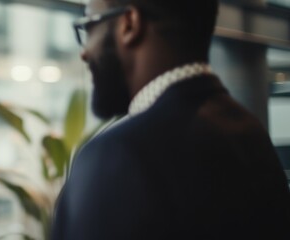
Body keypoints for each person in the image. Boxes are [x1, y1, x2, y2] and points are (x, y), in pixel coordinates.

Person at [52, 0, 290, 239]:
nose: (84, 52)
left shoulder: (117, 155)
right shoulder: (250, 133)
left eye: (89, 26)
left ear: (129, 24)